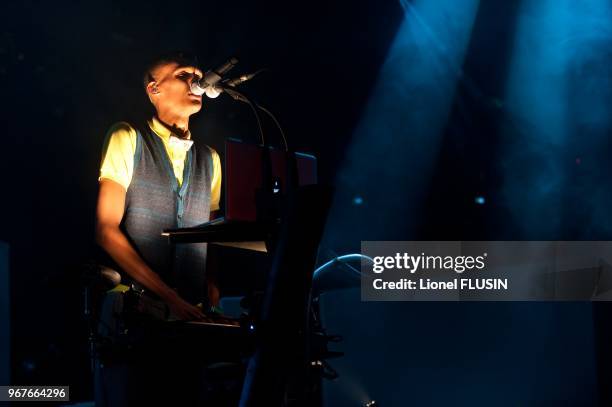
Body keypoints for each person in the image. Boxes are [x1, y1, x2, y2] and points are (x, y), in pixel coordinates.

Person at [95, 51, 222, 321]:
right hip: (135, 310)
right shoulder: (127, 138)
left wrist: (211, 283)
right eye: (183, 75)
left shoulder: (211, 159)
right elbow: (105, 230)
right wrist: (169, 297)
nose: (196, 82)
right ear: (154, 89)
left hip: (191, 313)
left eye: (198, 77)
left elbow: (212, 236)